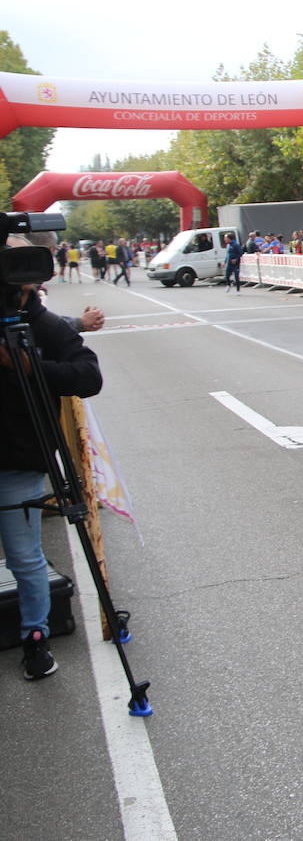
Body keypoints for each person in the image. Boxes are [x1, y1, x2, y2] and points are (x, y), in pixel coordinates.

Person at [0, 234, 103, 680]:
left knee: (24, 557)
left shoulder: (40, 324)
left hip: (17, 460)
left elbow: (88, 377)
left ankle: (35, 638)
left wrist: (29, 369)